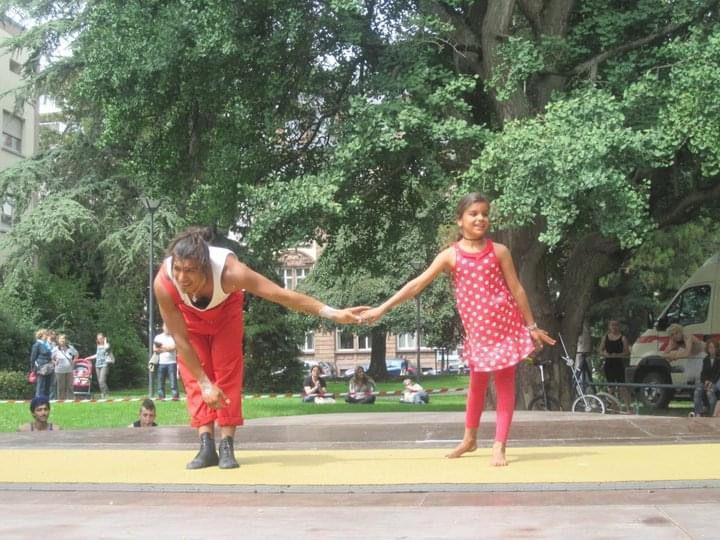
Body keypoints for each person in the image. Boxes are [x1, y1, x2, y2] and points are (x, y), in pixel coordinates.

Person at [359, 193, 555, 466]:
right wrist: (382, 308)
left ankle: (499, 445)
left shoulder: (499, 251)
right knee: (476, 385)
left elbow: (517, 288)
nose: (480, 218)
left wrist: (531, 325)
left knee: (504, 384)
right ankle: (469, 439)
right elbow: (416, 285)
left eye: (484, 213)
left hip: (505, 329)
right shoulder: (450, 256)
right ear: (459, 220)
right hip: (478, 334)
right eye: (473, 213)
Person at [154, 227, 365, 470]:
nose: (182, 278)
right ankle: (206, 445)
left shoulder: (231, 272)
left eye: (190, 271)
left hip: (225, 316)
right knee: (195, 375)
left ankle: (227, 445)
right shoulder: (164, 282)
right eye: (178, 269)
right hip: (190, 321)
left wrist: (333, 313)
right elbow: (181, 341)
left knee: (227, 370)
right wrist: (203, 383)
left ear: (204, 266)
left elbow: (282, 295)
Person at [691, 339, 720, 417]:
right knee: (697, 391)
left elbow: (718, 374)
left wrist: (711, 382)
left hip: (715, 382)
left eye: (713, 347)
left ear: (717, 348)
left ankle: (712, 414)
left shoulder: (719, 359)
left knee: (710, 392)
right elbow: (703, 373)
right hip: (706, 381)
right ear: (707, 349)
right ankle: (698, 413)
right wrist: (705, 381)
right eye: (710, 347)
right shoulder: (705, 359)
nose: (711, 349)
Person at [598, 320, 630, 384]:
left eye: (616, 325)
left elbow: (627, 352)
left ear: (619, 327)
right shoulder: (605, 337)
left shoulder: (623, 338)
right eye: (612, 325)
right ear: (609, 326)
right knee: (610, 386)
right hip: (608, 364)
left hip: (619, 364)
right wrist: (605, 354)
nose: (614, 327)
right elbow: (600, 351)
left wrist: (617, 355)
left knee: (621, 386)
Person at [154, 323, 179, 399]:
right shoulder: (158, 337)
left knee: (173, 381)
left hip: (172, 362)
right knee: (160, 380)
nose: (167, 328)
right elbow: (155, 349)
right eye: (166, 326)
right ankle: (161, 396)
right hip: (161, 363)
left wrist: (162, 348)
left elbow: (174, 347)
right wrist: (168, 348)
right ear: (163, 327)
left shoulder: (173, 337)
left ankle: (175, 396)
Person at [52, 334, 78, 400]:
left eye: (64, 339)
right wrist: (55, 362)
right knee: (61, 387)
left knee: (70, 386)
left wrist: (74, 361)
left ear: (66, 340)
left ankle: (71, 400)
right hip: (59, 371)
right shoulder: (55, 349)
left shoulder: (70, 347)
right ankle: (61, 401)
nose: (62, 340)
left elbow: (76, 354)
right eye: (61, 339)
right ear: (58, 340)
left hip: (69, 370)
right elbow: (50, 358)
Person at [86, 333, 112, 398]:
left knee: (102, 380)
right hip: (97, 365)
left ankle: (107, 393)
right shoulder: (98, 346)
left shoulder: (107, 345)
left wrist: (105, 341)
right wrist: (88, 357)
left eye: (101, 338)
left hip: (104, 365)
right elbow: (97, 355)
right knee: (99, 381)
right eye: (98, 338)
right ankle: (103, 394)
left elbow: (106, 348)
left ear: (104, 338)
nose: (100, 340)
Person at [30, 329, 53, 398]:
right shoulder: (37, 345)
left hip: (48, 367)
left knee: (47, 385)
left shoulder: (46, 345)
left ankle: (46, 401)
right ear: (41, 336)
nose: (47, 336)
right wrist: (33, 369)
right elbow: (33, 358)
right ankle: (38, 400)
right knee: (41, 385)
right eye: (45, 335)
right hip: (41, 367)